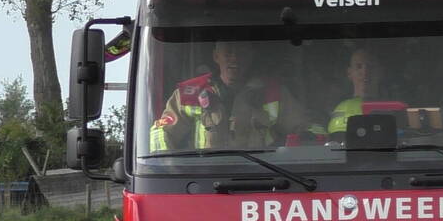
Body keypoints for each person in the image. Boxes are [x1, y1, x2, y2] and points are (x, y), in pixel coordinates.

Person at [149, 42, 304, 151]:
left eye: (241, 52)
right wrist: (168, 170)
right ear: (216, 56)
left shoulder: (274, 92)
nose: (235, 58)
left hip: (265, 180)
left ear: (251, 56)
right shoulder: (188, 93)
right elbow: (162, 133)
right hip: (204, 183)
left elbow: (305, 130)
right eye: (228, 52)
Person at [326, 48, 384, 135]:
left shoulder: (392, 108)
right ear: (349, 73)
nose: (365, 72)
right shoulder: (342, 108)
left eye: (371, 67)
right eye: (358, 66)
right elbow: (338, 140)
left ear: (380, 72)